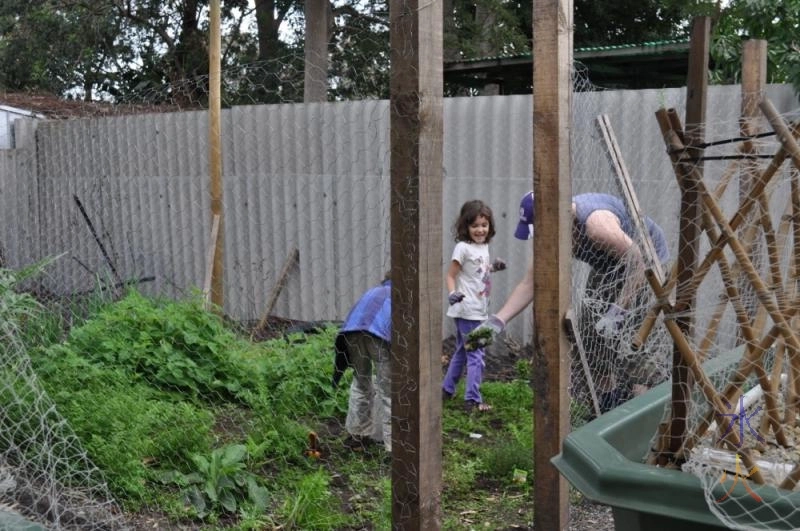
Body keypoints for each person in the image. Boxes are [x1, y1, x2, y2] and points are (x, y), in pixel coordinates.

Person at [473, 191, 670, 413]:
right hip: (607, 267)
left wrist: (617, 311)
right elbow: (530, 283)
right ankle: (608, 407)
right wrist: (497, 322)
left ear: (556, 219)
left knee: (634, 342)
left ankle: (639, 414)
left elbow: (638, 262)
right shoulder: (553, 233)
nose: (542, 237)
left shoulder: (597, 227)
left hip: (646, 265)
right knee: (591, 336)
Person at [442, 200, 507, 412]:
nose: (480, 230)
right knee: (476, 354)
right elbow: (451, 275)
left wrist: (493, 268)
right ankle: (472, 400)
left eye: (484, 225)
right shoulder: (462, 248)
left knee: (463, 351)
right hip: (467, 310)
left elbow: (478, 272)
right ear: (465, 227)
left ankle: (447, 390)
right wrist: (452, 293)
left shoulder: (483, 247)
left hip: (479, 309)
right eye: (475, 226)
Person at [333, 272, 392, 452]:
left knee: (361, 382)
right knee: (389, 390)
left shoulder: (374, 291)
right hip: (378, 336)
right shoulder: (401, 295)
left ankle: (357, 436)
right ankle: (394, 446)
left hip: (352, 333)